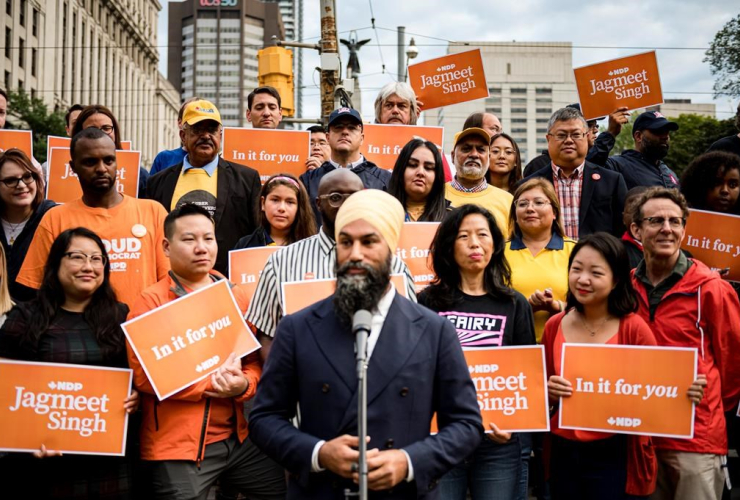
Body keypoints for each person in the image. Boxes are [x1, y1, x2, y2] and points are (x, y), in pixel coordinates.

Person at [249, 189, 483, 499]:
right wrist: (318, 454)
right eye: (345, 242)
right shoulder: (297, 328)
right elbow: (264, 419)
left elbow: (466, 425)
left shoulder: (434, 331)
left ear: (391, 250)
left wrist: (408, 461)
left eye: (369, 242)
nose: (355, 254)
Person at [126, 203, 285, 500]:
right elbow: (145, 376)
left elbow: (252, 358)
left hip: (240, 438)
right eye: (189, 239)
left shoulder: (233, 292)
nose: (201, 248)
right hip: (178, 446)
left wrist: (244, 385)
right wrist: (211, 386)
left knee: (282, 491)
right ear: (166, 246)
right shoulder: (151, 302)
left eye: (208, 239)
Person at [545, 232, 705, 499]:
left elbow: (657, 390)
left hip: (615, 452)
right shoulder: (555, 325)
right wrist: (548, 392)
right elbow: (541, 392)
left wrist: (684, 392)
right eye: (576, 269)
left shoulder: (634, 328)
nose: (583, 280)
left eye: (596, 273)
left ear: (616, 279)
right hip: (564, 450)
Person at [0, 227, 140, 498]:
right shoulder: (26, 318)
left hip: (111, 465)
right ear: (56, 263)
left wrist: (137, 396)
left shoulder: (122, 316)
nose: (88, 266)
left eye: (97, 259)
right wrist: (25, 437)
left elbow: (139, 378)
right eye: (77, 257)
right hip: (45, 467)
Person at [630, 187, 740, 500]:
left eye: (675, 221)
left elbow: (733, 366)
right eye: (656, 220)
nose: (667, 228)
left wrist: (708, 400)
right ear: (636, 230)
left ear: (684, 229)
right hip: (640, 436)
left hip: (696, 439)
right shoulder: (623, 288)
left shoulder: (712, 289)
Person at [419, 204, 535, 500]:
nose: (474, 243)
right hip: (442, 438)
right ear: (448, 246)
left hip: (497, 443)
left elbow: (526, 375)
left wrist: (513, 425)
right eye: (463, 236)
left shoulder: (514, 304)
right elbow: (417, 369)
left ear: (495, 244)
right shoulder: (427, 302)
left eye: (483, 234)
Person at [245, 169, 417, 362]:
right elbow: (267, 334)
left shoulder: (395, 266)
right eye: (336, 197)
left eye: (354, 197)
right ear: (318, 203)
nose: (346, 205)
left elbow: (410, 332)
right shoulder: (281, 262)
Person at [17, 127, 169, 310]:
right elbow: (36, 289)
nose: (101, 169)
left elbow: (169, 282)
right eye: (90, 162)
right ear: (73, 168)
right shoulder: (55, 219)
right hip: (80, 335)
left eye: (108, 160)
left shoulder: (153, 212)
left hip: (142, 332)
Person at [146, 99, 261, 275]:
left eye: (212, 130)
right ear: (183, 136)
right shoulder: (158, 183)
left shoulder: (247, 179)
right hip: (172, 284)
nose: (206, 136)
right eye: (198, 130)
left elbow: (256, 236)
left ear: (220, 135)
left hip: (228, 283)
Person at [526, 107, 627, 239]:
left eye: (576, 134)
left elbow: (624, 231)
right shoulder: (529, 184)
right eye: (561, 135)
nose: (568, 140)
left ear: (587, 136)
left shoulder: (612, 182)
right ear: (548, 139)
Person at [505, 177, 576, 342]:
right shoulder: (498, 253)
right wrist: (525, 308)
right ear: (515, 215)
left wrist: (557, 307)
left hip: (563, 345)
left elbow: (591, 305)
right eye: (522, 204)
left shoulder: (575, 251)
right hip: (512, 347)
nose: (530, 209)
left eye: (538, 202)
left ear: (554, 212)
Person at [299, 107, 391, 224]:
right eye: (338, 127)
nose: (345, 132)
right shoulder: (307, 181)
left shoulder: (385, 180)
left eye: (352, 128)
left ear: (362, 138)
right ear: (328, 138)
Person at [0, 148, 56, 301]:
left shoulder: (53, 217)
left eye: (27, 177)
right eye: (10, 180)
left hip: (39, 319)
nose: (22, 185)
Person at [524, 106, 629, 176]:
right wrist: (609, 134)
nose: (596, 130)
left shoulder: (612, 175)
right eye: (589, 125)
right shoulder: (538, 165)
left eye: (596, 125)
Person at [70, 104, 150, 197]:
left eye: (106, 128)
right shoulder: (53, 171)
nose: (101, 134)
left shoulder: (140, 176)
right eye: (92, 129)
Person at [445, 127, 513, 233]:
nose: (474, 154)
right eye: (466, 149)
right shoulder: (435, 196)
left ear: (489, 157)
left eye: (481, 150)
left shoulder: (508, 201)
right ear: (453, 156)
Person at [233, 173, 317, 248]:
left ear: (299, 207)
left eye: (290, 202)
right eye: (275, 200)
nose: (281, 208)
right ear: (263, 203)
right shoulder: (245, 245)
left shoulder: (311, 247)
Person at [605, 111, 680, 190]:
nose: (665, 137)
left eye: (667, 132)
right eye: (659, 131)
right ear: (638, 136)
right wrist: (610, 133)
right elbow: (593, 166)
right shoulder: (617, 166)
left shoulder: (669, 173)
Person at [387, 138, 448, 222]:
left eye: (428, 168)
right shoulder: (380, 214)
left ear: (437, 177)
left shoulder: (451, 219)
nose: (420, 172)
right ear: (400, 170)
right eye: (413, 165)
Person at [149, 96, 201, 175]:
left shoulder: (218, 163)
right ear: (180, 123)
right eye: (191, 117)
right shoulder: (164, 158)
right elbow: (151, 186)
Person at [620, 186, 650, 270]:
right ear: (623, 218)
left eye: (641, 211)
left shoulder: (674, 253)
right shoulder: (615, 252)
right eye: (631, 210)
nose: (636, 216)